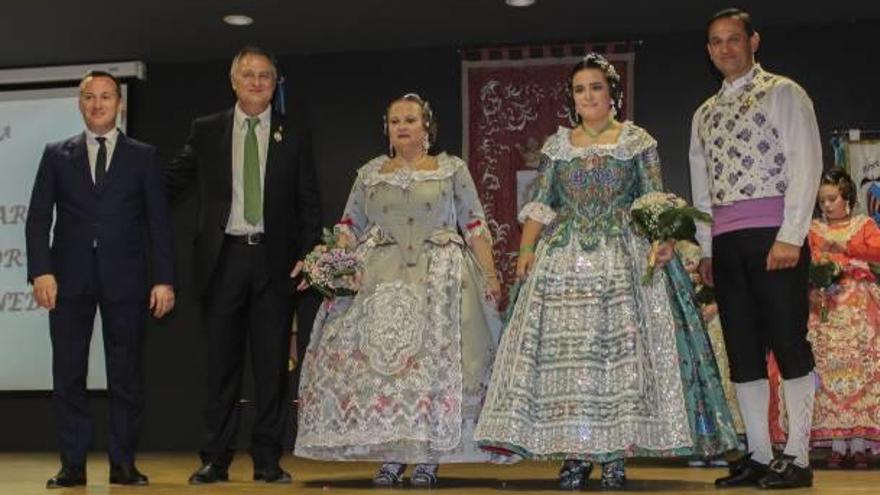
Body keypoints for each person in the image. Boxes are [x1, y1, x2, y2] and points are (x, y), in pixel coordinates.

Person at [473, 53, 738, 491]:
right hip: (565, 261)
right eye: (580, 89)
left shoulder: (636, 141)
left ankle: (616, 453)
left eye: (596, 86)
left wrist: (662, 239)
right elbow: (542, 201)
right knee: (572, 358)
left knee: (618, 358)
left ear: (613, 93)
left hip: (623, 259)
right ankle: (575, 454)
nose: (588, 95)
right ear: (572, 99)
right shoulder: (558, 147)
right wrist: (525, 248)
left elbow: (653, 199)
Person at [294, 93, 504, 488]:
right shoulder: (370, 174)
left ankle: (429, 455)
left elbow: (475, 224)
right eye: (395, 121)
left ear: (427, 127)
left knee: (432, 369)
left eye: (410, 120)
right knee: (383, 369)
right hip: (381, 278)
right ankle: (391, 454)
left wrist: (490, 276)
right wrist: (333, 265)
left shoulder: (450, 169)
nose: (402, 127)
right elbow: (348, 227)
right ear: (387, 129)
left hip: (439, 278)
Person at [166, 46, 322, 484]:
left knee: (272, 368)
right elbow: (171, 182)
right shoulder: (207, 130)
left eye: (266, 76)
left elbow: (309, 202)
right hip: (223, 260)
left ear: (276, 84)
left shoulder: (295, 132)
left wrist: (308, 258)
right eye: (248, 75)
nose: (257, 82)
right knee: (222, 367)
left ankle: (268, 459)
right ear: (233, 81)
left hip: (275, 263)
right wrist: (127, 193)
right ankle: (215, 458)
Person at [688, 8, 822, 489]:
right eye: (716, 41)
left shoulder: (783, 92)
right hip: (726, 243)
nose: (725, 48)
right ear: (708, 50)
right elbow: (701, 187)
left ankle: (799, 456)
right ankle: (761, 455)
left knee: (788, 342)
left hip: (774, 238)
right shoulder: (704, 113)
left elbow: (806, 162)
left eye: (734, 39)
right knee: (742, 350)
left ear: (753, 41)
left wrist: (791, 235)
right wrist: (706, 246)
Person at [25, 70, 175, 488]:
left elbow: (158, 224)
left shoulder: (143, 156)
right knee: (68, 374)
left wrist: (164, 279)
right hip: (68, 280)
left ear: (119, 103)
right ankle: (72, 465)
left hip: (126, 280)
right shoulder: (56, 154)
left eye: (106, 96)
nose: (97, 104)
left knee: (125, 376)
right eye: (89, 97)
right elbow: (38, 218)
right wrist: (41, 270)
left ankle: (123, 464)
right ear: (80, 103)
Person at [770, 169, 880, 469]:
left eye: (832, 199)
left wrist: (847, 249)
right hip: (824, 308)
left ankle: (860, 443)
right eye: (822, 201)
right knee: (826, 371)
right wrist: (812, 285)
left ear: (847, 198)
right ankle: (835, 443)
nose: (827, 206)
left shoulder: (864, 224)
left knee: (861, 369)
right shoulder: (812, 230)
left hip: (859, 308)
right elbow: (801, 264)